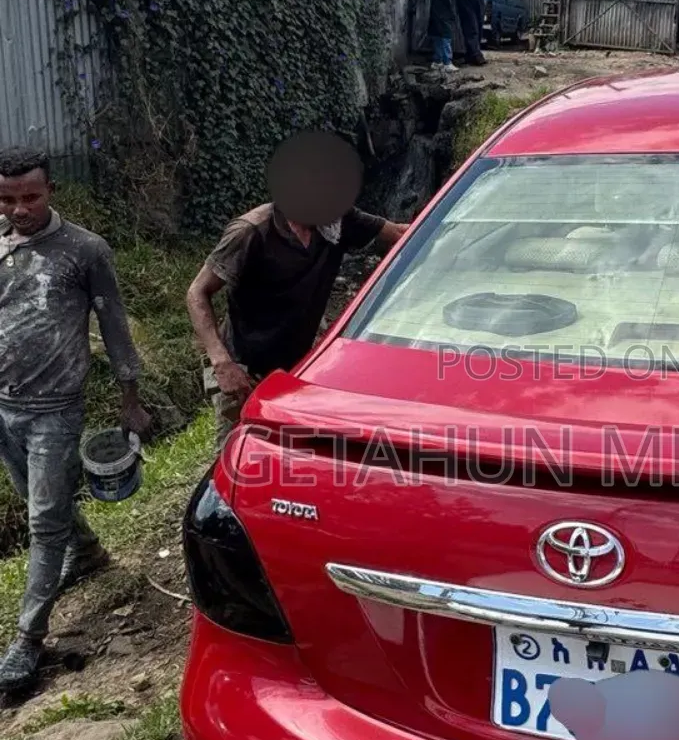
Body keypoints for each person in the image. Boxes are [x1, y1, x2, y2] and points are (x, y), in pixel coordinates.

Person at [0, 147, 153, 698]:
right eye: (8, 198)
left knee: (42, 520)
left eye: (31, 196)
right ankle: (85, 553)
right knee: (35, 499)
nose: (19, 209)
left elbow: (114, 326)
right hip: (2, 404)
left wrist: (130, 397)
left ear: (51, 191)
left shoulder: (83, 251)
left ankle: (28, 638)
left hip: (55, 409)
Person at [186, 131, 407, 450]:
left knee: (291, 446)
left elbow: (400, 234)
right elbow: (196, 293)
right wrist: (222, 363)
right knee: (237, 447)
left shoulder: (337, 219)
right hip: (242, 363)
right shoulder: (251, 232)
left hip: (297, 360)